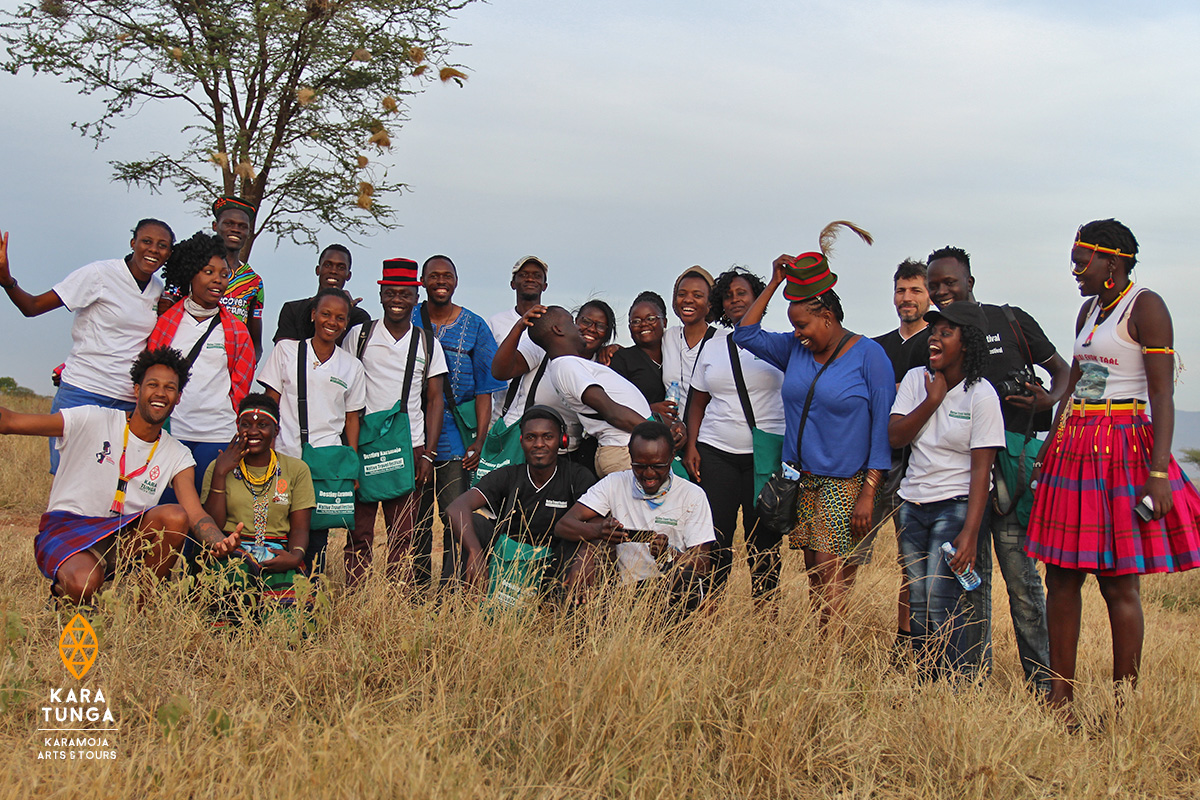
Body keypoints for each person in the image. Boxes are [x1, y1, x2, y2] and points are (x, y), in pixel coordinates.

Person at [1026, 219, 1200, 720]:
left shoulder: (1146, 306)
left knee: (1119, 581)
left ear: (1113, 262)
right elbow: (1078, 383)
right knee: (1061, 576)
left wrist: (1160, 472)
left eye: (1082, 261)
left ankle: (1125, 704)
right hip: (1075, 444)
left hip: (1123, 445)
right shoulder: (1088, 309)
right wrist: (1048, 445)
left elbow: (1163, 394)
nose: (1075, 270)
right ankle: (1061, 697)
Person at [733, 229, 893, 630]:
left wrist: (869, 492)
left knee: (828, 567)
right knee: (814, 572)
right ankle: (826, 649)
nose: (799, 333)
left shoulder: (870, 356)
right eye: (794, 326)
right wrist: (774, 282)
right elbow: (745, 333)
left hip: (847, 480)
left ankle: (828, 657)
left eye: (803, 324)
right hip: (801, 480)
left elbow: (881, 429)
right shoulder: (794, 350)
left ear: (828, 315)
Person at [926, 245, 1070, 691]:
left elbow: (1064, 371)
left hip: (1010, 474)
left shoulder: (1009, 320)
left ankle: (1044, 687)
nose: (942, 291)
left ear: (970, 281)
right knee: (971, 584)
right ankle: (972, 684)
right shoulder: (935, 337)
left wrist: (1049, 401)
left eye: (950, 282)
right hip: (961, 479)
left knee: (1023, 586)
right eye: (934, 285)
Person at [0, 346, 238, 605]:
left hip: (123, 536)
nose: (160, 393)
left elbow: (195, 514)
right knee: (84, 583)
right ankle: (64, 594)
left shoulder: (177, 454)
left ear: (178, 397)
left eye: (170, 388)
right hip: (70, 529)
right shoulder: (91, 418)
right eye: (152, 385)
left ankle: (141, 609)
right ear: (137, 390)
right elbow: (11, 422)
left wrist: (219, 541)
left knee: (175, 516)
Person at [0, 220, 175, 473]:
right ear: (133, 243)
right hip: (84, 392)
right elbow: (33, 307)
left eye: (162, 246)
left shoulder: (158, 289)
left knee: (112, 483)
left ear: (169, 253)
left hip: (127, 402)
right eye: (146, 241)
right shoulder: (99, 275)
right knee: (69, 477)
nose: (153, 250)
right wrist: (7, 281)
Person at [888, 303, 1004, 680]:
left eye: (945, 333)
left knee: (940, 599)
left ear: (966, 344)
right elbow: (896, 436)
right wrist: (932, 399)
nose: (934, 338)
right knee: (918, 599)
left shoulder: (981, 395)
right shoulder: (914, 380)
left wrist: (971, 535)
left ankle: (952, 683)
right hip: (912, 503)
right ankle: (924, 681)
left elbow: (981, 470)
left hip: (955, 506)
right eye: (933, 332)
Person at [342, 258, 448, 590]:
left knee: (403, 534)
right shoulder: (359, 336)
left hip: (409, 446)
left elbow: (435, 400)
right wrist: (348, 450)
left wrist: (429, 454)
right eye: (391, 293)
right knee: (358, 532)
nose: (397, 300)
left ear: (417, 298)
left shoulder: (427, 342)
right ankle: (354, 598)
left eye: (405, 294)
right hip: (364, 445)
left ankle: (394, 602)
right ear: (381, 295)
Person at [682, 267, 786, 599]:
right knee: (716, 537)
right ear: (720, 305)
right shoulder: (712, 346)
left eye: (743, 293)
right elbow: (697, 401)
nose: (735, 299)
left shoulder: (777, 344)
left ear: (758, 299)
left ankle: (766, 620)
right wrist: (692, 446)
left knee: (764, 541)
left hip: (764, 456)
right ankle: (711, 612)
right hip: (716, 453)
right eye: (728, 295)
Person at [256, 287, 365, 577]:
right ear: (314, 315)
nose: (332, 322)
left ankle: (307, 594)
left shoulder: (351, 366)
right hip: (283, 457)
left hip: (325, 463)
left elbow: (351, 418)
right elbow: (270, 403)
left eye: (341, 317)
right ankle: (272, 588)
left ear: (346, 322)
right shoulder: (286, 352)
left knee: (316, 536)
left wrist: (350, 466)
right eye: (326, 314)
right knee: (275, 525)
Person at [413, 255, 505, 588]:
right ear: (422, 281)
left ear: (456, 281)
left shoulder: (475, 326)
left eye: (447, 275)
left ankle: (450, 590)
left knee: (454, 515)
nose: (441, 281)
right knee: (416, 519)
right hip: (413, 433)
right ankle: (418, 588)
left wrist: (479, 440)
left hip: (456, 438)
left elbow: (485, 390)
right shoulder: (409, 317)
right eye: (433, 275)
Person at [556, 421, 714, 609]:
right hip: (625, 592)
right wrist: (598, 533)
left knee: (685, 578)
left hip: (668, 588)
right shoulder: (614, 483)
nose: (648, 474)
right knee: (577, 556)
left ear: (671, 457)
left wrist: (669, 555)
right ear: (630, 457)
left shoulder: (692, 495)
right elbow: (564, 526)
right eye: (639, 466)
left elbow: (703, 564)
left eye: (658, 466)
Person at [446, 406, 596, 601]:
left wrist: (586, 555)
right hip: (507, 560)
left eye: (548, 437)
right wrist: (475, 552)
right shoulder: (509, 475)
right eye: (531, 437)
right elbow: (456, 507)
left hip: (553, 564)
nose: (539, 444)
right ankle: (452, 604)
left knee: (577, 543)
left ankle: (564, 617)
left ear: (562, 440)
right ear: (521, 441)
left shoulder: (578, 476)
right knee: (471, 524)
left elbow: (596, 522)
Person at [148, 231, 255, 503]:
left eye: (223, 273)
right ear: (190, 274)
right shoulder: (166, 324)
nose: (218, 280)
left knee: (209, 510)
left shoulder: (237, 331)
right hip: (173, 432)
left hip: (217, 435)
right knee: (168, 509)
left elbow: (240, 389)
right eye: (209, 271)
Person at [201, 393, 316, 622]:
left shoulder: (296, 469)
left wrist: (294, 558)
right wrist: (221, 473)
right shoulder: (218, 466)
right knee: (231, 610)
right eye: (246, 424)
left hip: (278, 553)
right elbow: (214, 523)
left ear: (276, 430)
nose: (253, 431)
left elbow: (300, 528)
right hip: (231, 551)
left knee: (288, 624)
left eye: (262, 425)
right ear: (237, 427)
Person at [872, 258, 931, 652]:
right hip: (877, 458)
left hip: (922, 463)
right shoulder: (877, 348)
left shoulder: (939, 342)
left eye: (915, 290)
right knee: (850, 551)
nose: (906, 298)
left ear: (930, 295)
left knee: (912, 561)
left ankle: (907, 643)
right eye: (901, 290)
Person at [528, 306, 653, 477]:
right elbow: (611, 411)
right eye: (572, 322)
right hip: (624, 450)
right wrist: (658, 435)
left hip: (625, 448)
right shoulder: (567, 366)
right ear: (558, 329)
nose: (578, 327)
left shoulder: (569, 364)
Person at [491, 301, 618, 467]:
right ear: (575, 323)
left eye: (601, 326)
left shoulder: (602, 365)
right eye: (585, 322)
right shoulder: (544, 347)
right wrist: (519, 327)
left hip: (567, 451)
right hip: (521, 446)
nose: (591, 329)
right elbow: (501, 372)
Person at [273, 244, 371, 345]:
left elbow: (350, 354)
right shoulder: (292, 310)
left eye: (341, 267)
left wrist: (347, 311)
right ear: (318, 270)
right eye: (328, 265)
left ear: (348, 275)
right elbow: (284, 352)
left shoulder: (359, 317)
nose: (333, 271)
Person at [662, 266, 717, 421]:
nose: (688, 300)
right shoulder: (668, 337)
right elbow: (642, 351)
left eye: (697, 295)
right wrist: (613, 349)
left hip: (711, 436)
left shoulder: (722, 341)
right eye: (682, 294)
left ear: (709, 303)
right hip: (674, 434)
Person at [610, 291, 673, 419]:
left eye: (650, 319)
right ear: (629, 328)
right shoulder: (622, 359)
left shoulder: (676, 354)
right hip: (637, 434)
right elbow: (612, 406)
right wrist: (649, 409)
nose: (644, 324)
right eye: (636, 321)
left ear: (664, 322)